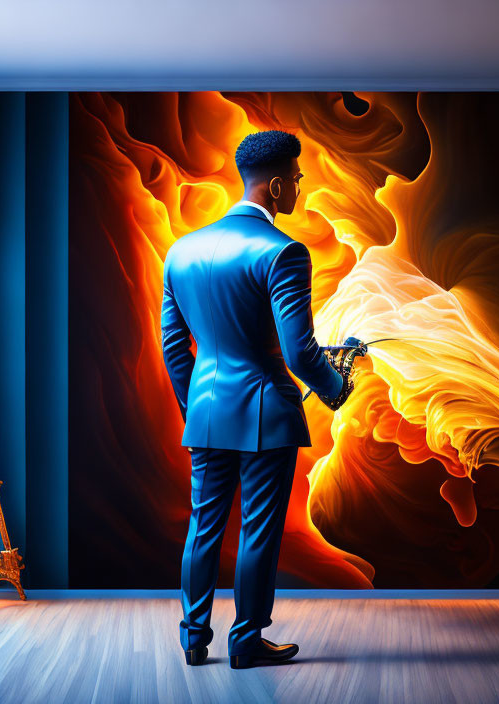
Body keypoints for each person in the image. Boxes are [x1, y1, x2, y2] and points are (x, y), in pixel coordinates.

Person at [160, 129, 354, 670]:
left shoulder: (182, 251)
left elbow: (175, 348)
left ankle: (194, 637)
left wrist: (195, 406)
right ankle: (245, 640)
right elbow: (299, 352)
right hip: (267, 415)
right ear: (273, 188)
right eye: (295, 179)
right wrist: (338, 388)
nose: (299, 187)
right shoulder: (284, 253)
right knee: (258, 530)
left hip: (206, 412)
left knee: (203, 525)